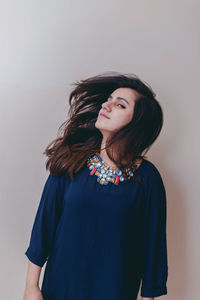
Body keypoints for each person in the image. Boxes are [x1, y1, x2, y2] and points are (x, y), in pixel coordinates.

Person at [23, 72, 168, 300]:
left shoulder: (148, 178)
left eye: (119, 104)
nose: (107, 105)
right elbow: (44, 224)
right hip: (60, 290)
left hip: (115, 291)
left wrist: (147, 297)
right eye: (108, 99)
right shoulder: (71, 160)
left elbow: (153, 248)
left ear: (137, 122)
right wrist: (31, 286)